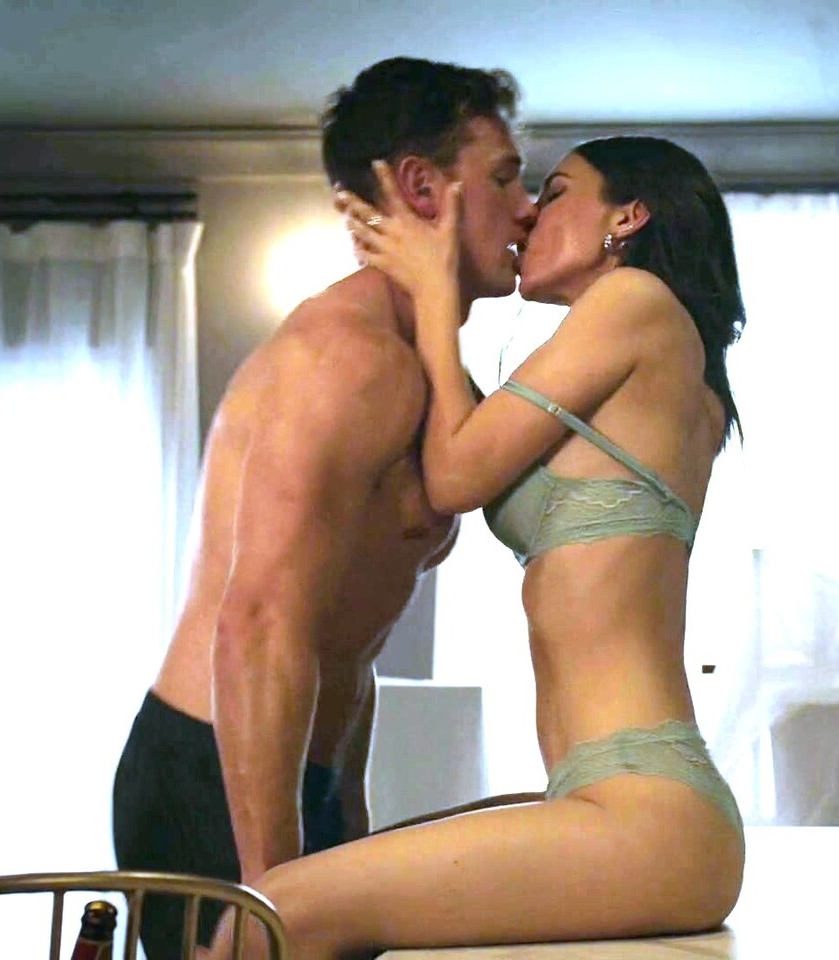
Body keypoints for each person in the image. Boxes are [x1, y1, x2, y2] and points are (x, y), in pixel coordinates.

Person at [204, 135, 750, 960]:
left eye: (556, 192)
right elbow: (463, 445)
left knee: (274, 913)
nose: (530, 214)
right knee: (300, 894)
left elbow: (456, 472)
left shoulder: (635, 301)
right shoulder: (647, 355)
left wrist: (433, 291)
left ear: (628, 217)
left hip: (648, 810)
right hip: (615, 802)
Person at [111, 56, 538, 957]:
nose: (528, 209)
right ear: (423, 187)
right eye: (505, 179)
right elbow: (260, 623)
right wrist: (276, 894)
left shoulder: (423, 365)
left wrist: (347, 805)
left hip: (301, 768)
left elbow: (349, 629)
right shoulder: (347, 358)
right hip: (213, 774)